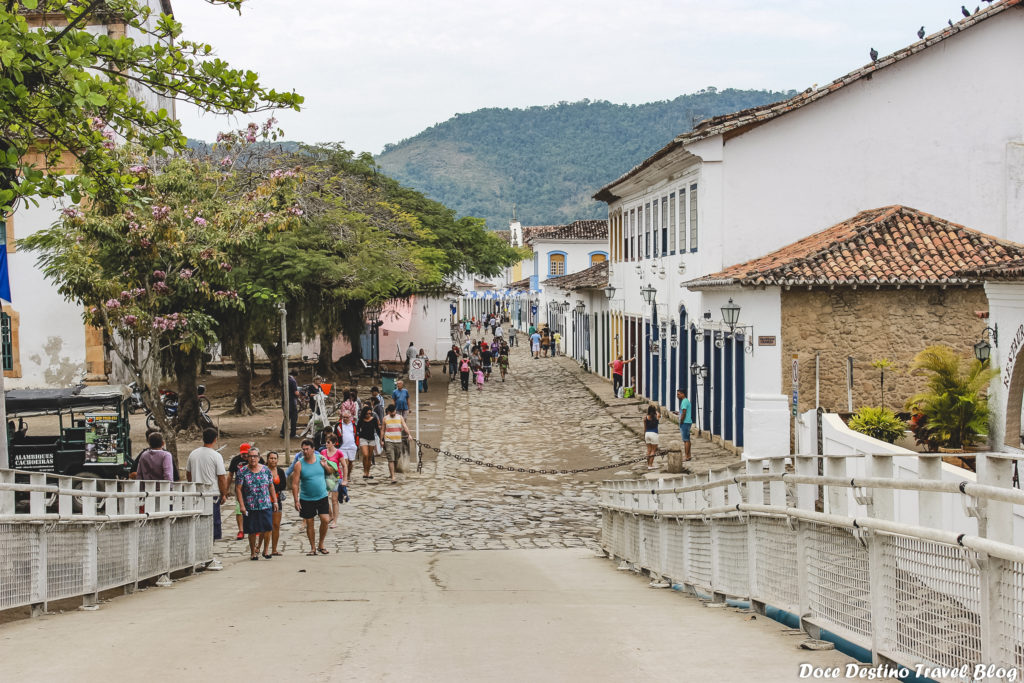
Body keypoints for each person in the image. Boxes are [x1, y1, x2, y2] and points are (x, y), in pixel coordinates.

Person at [291, 439, 334, 556]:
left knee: (325, 520)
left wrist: (325, 466)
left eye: (307, 449)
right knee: (309, 523)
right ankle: (313, 547)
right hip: (306, 498)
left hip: (322, 496)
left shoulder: (321, 459)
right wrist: (296, 500)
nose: (305, 451)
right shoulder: (299, 464)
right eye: (303, 449)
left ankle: (321, 544)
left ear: (313, 449)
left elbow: (331, 471)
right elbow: (295, 484)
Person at [185, 427, 228, 541]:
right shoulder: (216, 456)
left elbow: (188, 473)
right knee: (213, 520)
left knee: (198, 518)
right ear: (215, 439)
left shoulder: (193, 454)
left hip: (197, 492)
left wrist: (192, 484)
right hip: (212, 492)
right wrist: (224, 493)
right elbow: (221, 477)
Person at [235, 447, 277, 560]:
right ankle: (253, 552)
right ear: (247, 458)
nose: (253, 458)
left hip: (265, 504)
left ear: (259, 458)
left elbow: (271, 485)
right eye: (250, 456)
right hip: (250, 505)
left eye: (255, 456)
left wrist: (275, 501)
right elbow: (238, 489)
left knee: (268, 528)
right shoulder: (242, 471)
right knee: (252, 530)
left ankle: (266, 550)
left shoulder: (266, 470)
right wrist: (242, 505)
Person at [228, 443, 265, 540]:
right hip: (240, 488)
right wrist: (226, 489)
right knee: (239, 509)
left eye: (246, 454)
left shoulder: (258, 459)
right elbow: (230, 475)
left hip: (255, 489)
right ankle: (241, 530)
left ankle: (256, 527)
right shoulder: (236, 460)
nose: (244, 456)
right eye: (242, 454)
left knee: (256, 509)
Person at [263, 451, 286, 557]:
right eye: (271, 458)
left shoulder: (280, 471)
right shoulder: (262, 470)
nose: (273, 460)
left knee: (276, 525)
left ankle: (274, 549)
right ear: (267, 459)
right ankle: (261, 548)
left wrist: (273, 488)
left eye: (275, 458)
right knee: (265, 526)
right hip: (264, 501)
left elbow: (283, 485)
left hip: (276, 500)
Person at [321, 433, 345, 527]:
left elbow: (344, 466)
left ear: (334, 443)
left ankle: (335, 520)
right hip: (325, 477)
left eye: (328, 442)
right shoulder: (323, 452)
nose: (326, 444)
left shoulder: (339, 453)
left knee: (334, 500)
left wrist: (345, 479)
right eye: (326, 442)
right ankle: (330, 515)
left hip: (335, 477)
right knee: (324, 498)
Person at [382, 404, 410, 484]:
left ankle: (392, 472)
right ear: (388, 412)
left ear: (395, 410)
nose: (393, 413)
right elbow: (383, 430)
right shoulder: (385, 418)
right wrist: (381, 440)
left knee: (396, 458)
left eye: (394, 411)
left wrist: (409, 434)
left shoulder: (400, 417)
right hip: (388, 440)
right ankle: (393, 476)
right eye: (391, 412)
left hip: (398, 441)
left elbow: (405, 426)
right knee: (391, 459)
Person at [356, 405, 382, 479]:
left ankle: (368, 472)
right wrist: (357, 437)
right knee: (365, 455)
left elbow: (377, 430)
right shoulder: (361, 420)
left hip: (371, 439)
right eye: (367, 413)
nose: (368, 415)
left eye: (370, 413)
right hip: (363, 438)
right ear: (364, 413)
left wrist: (381, 439)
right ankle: (364, 471)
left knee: (370, 457)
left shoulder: (374, 419)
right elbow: (357, 429)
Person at [673, 389, 693, 462]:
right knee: (687, 439)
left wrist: (681, 421)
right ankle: (689, 455)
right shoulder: (686, 401)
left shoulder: (684, 401)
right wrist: (678, 413)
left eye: (678, 394)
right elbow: (684, 412)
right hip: (687, 421)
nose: (677, 396)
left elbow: (684, 413)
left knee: (686, 440)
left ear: (683, 394)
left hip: (685, 422)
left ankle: (686, 456)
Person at [280, 371, 299, 438]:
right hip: (291, 402)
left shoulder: (285, 379)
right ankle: (293, 434)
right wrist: (301, 393)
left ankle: (282, 433)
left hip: (284, 401)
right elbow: (296, 392)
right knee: (294, 418)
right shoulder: (292, 381)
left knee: (286, 418)